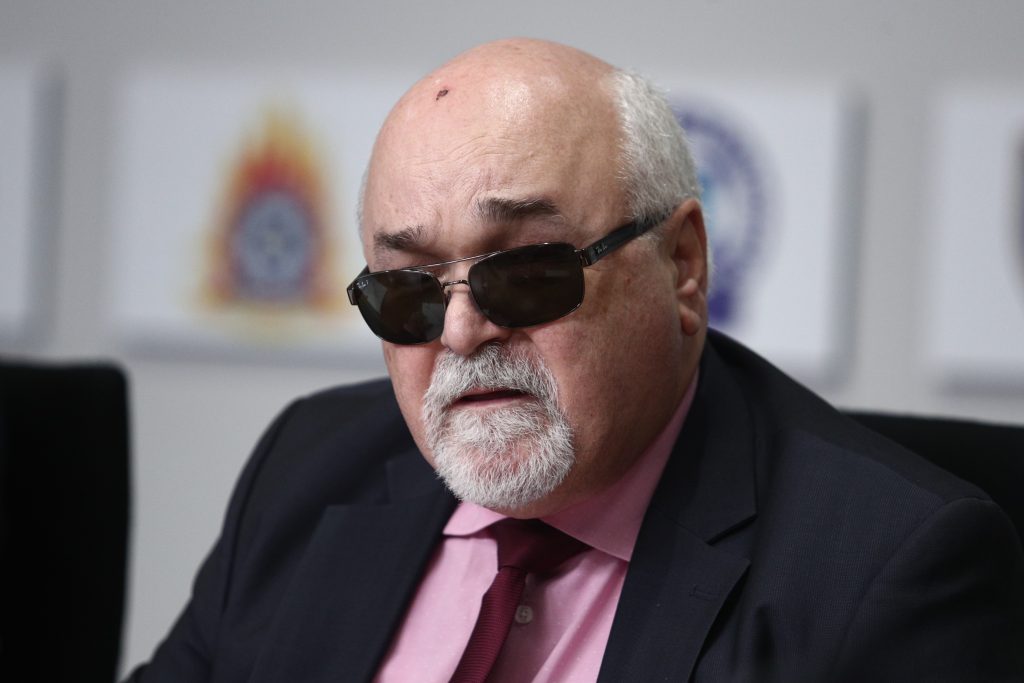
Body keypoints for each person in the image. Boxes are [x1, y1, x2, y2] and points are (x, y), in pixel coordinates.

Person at [127, 39, 1024, 682]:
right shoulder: (306, 467)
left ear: (682, 265)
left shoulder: (892, 572)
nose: (462, 331)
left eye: (526, 272)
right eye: (408, 291)